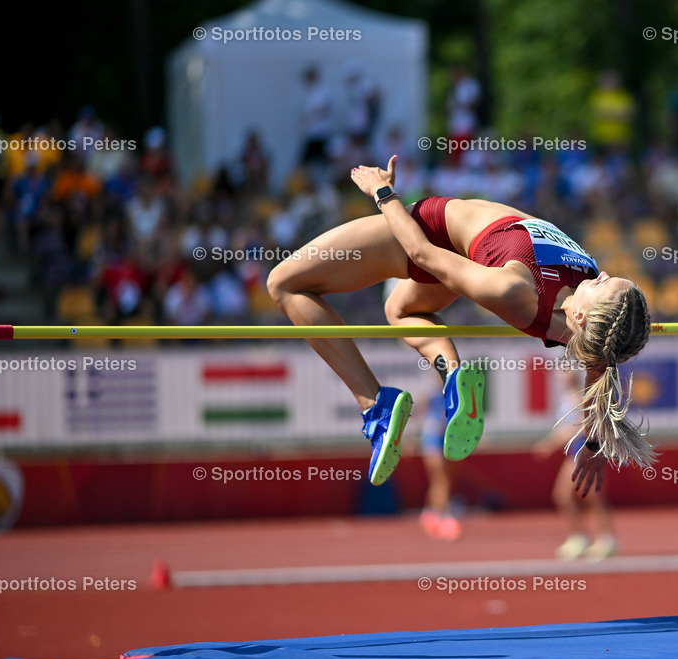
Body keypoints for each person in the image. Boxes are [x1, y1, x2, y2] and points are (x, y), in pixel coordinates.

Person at [266, 155, 654, 490]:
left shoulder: (515, 291)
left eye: (604, 284)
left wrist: (382, 192)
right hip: (471, 255)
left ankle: (375, 404)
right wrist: (593, 445)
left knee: (283, 284)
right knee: (401, 311)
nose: (602, 274)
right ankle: (451, 376)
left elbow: (421, 253)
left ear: (582, 317)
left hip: (434, 231)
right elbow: (599, 376)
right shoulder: (591, 335)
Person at [533, 370, 616, 561]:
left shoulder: (579, 395)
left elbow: (582, 426)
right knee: (565, 496)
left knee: (590, 495)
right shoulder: (569, 396)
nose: (562, 375)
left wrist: (551, 444)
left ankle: (606, 539)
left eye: (567, 371)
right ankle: (580, 538)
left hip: (586, 449)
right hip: (576, 451)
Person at [416, 383, 462, 541]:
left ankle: (429, 513)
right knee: (441, 479)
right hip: (433, 438)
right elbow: (419, 413)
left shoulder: (456, 391)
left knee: (443, 480)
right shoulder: (430, 391)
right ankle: (444, 516)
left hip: (448, 437)